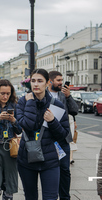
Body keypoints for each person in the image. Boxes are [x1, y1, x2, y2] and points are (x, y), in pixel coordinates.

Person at [16, 68, 70, 200]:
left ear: (47, 83)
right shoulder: (23, 102)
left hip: (50, 160)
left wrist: (52, 121)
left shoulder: (56, 105)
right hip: (26, 158)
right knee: (30, 196)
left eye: (40, 81)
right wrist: (30, 103)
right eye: (33, 81)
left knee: (51, 197)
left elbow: (63, 134)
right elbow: (27, 126)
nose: (36, 84)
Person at [0, 79, 22, 200]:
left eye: (8, 93)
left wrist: (13, 121)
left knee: (10, 180)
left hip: (10, 148)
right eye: (2, 93)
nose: (5, 96)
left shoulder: (14, 106)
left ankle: (8, 197)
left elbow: (19, 130)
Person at [48, 71, 79, 200]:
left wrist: (68, 97)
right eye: (58, 80)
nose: (61, 83)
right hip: (49, 139)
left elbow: (74, 111)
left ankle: (65, 197)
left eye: (62, 80)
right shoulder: (44, 95)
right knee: (50, 170)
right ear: (50, 81)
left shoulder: (64, 95)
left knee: (65, 170)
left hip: (63, 138)